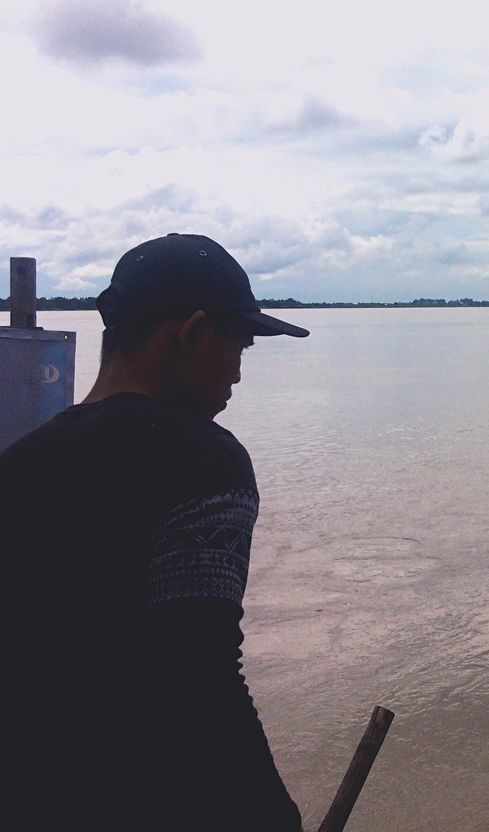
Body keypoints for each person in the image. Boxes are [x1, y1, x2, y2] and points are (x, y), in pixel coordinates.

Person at [2, 233, 310, 831]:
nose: (239, 375)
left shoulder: (19, 464)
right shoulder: (202, 459)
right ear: (192, 334)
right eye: (239, 346)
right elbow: (199, 673)